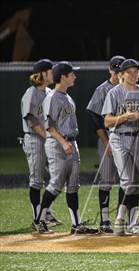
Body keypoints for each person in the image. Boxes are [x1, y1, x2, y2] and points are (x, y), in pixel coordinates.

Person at [36, 61, 98, 234]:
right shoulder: (52, 97)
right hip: (58, 143)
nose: (75, 76)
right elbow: (49, 126)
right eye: (72, 74)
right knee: (56, 183)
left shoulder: (67, 97)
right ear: (63, 77)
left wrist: (69, 143)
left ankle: (76, 224)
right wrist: (63, 142)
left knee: (73, 186)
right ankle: (39, 220)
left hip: (71, 142)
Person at [102, 59, 139, 235]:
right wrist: (125, 117)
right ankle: (120, 220)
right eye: (129, 72)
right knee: (127, 180)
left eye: (136, 72)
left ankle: (132, 222)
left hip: (138, 138)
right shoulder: (114, 92)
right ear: (122, 74)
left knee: (136, 182)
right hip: (119, 137)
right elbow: (107, 121)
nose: (133, 75)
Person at [20, 59, 62, 232]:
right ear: (43, 74)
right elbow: (31, 120)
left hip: (47, 138)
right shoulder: (31, 93)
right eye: (51, 71)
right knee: (37, 180)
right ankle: (38, 219)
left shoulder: (50, 92)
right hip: (35, 139)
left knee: (55, 177)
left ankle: (47, 213)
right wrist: (48, 137)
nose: (53, 74)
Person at [86, 55, 126, 233]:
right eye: (115, 70)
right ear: (110, 70)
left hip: (127, 140)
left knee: (126, 182)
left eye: (120, 71)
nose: (117, 74)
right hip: (108, 139)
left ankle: (122, 218)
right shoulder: (102, 90)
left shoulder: (129, 89)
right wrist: (106, 142)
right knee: (107, 180)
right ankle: (104, 219)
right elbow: (95, 119)